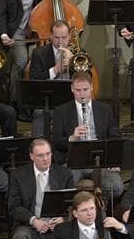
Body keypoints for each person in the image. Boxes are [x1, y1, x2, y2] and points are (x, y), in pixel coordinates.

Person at [51, 71, 123, 201]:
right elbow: (55, 141)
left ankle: (97, 209)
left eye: (85, 89)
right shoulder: (61, 111)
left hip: (100, 161)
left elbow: (114, 136)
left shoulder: (104, 109)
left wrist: (113, 160)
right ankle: (76, 213)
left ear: (91, 87)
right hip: (73, 160)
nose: (82, 94)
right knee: (63, 187)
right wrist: (72, 137)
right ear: (72, 89)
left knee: (116, 187)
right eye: (78, 90)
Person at [7, 138, 75, 239]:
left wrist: (63, 219)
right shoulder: (18, 175)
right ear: (32, 157)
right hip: (30, 226)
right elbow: (13, 206)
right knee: (20, 236)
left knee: (70, 235)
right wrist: (34, 221)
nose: (46, 158)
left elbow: (72, 204)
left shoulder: (65, 174)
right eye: (40, 155)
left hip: (56, 226)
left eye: (48, 154)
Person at [27, 19, 74, 137]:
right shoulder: (39, 53)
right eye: (57, 37)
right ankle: (38, 148)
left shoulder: (78, 52)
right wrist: (56, 69)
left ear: (69, 37)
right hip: (47, 101)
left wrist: (73, 63)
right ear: (50, 36)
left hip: (71, 100)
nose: (60, 41)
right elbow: (34, 79)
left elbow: (87, 77)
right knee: (39, 114)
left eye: (64, 37)